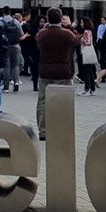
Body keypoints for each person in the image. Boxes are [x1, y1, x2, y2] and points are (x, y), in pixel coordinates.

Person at [35, 8, 78, 140]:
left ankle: (43, 130)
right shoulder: (67, 34)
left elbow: (38, 44)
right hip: (63, 72)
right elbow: (77, 41)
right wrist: (70, 26)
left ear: (47, 18)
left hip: (45, 71)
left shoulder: (42, 34)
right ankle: (63, 129)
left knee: (43, 101)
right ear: (61, 19)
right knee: (64, 102)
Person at [0, 8, 24, 92]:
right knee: (15, 65)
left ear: (3, 12)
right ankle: (16, 82)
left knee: (6, 66)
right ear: (10, 12)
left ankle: (6, 86)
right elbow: (21, 34)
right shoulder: (16, 21)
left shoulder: (0, 21)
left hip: (4, 46)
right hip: (15, 46)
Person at [77, 18, 98, 95]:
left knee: (86, 71)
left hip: (86, 52)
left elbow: (87, 42)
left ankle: (87, 88)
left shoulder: (86, 32)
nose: (81, 24)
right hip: (89, 52)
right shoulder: (90, 31)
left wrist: (81, 39)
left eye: (82, 23)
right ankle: (92, 89)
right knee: (90, 71)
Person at [19, 13, 40, 92]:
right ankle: (35, 84)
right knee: (35, 68)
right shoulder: (32, 30)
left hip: (40, 51)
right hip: (34, 51)